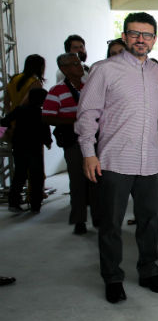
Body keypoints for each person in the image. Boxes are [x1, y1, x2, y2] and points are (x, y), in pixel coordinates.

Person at [76, 12, 158, 304]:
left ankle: (148, 271)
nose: (140, 39)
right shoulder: (104, 69)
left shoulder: (157, 71)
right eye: (134, 33)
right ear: (124, 36)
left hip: (150, 162)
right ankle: (113, 278)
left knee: (150, 221)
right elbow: (88, 114)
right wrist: (88, 154)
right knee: (110, 224)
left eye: (147, 35)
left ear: (154, 39)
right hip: (114, 160)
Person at [42, 53, 101, 234]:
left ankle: (99, 219)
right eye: (75, 64)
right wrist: (77, 120)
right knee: (77, 181)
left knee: (97, 181)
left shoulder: (88, 86)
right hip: (73, 142)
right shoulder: (56, 91)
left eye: (79, 63)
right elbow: (47, 117)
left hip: (94, 139)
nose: (79, 67)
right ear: (64, 69)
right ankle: (79, 220)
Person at [1, 88, 51, 213]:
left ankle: (14, 203)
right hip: (35, 148)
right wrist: (48, 141)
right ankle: (35, 205)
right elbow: (45, 129)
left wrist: (6, 133)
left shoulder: (20, 110)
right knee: (36, 177)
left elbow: (5, 121)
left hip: (19, 146)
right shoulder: (41, 113)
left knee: (20, 174)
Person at [3, 54, 45, 129]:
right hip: (27, 122)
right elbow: (24, 103)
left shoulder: (14, 78)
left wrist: (10, 118)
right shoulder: (35, 83)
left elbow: (6, 102)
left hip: (13, 121)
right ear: (40, 67)